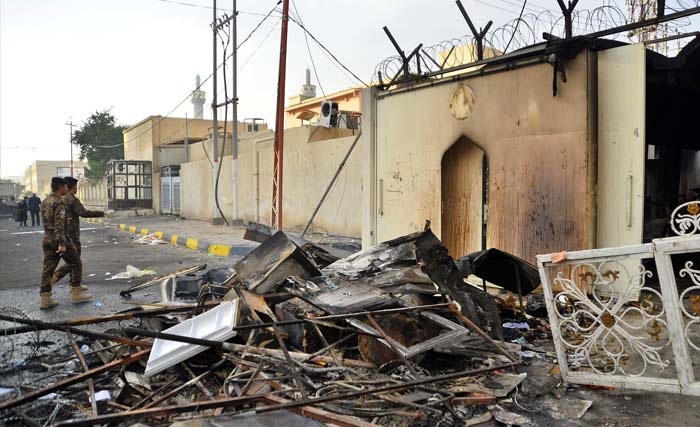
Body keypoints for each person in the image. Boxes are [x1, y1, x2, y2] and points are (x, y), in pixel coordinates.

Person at [39, 177, 91, 310]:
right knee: (76, 263)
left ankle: (45, 299)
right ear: (61, 187)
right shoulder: (59, 203)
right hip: (59, 239)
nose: (67, 189)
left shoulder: (45, 201)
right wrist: (63, 243)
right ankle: (76, 292)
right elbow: (59, 225)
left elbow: (48, 222)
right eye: (65, 186)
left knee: (47, 269)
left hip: (47, 238)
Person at [51, 176, 105, 292]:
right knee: (75, 261)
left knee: (72, 260)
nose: (76, 190)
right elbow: (83, 213)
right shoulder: (72, 200)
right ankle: (59, 277)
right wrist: (101, 213)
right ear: (71, 188)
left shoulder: (59, 199)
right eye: (75, 187)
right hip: (72, 235)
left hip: (60, 233)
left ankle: (74, 284)